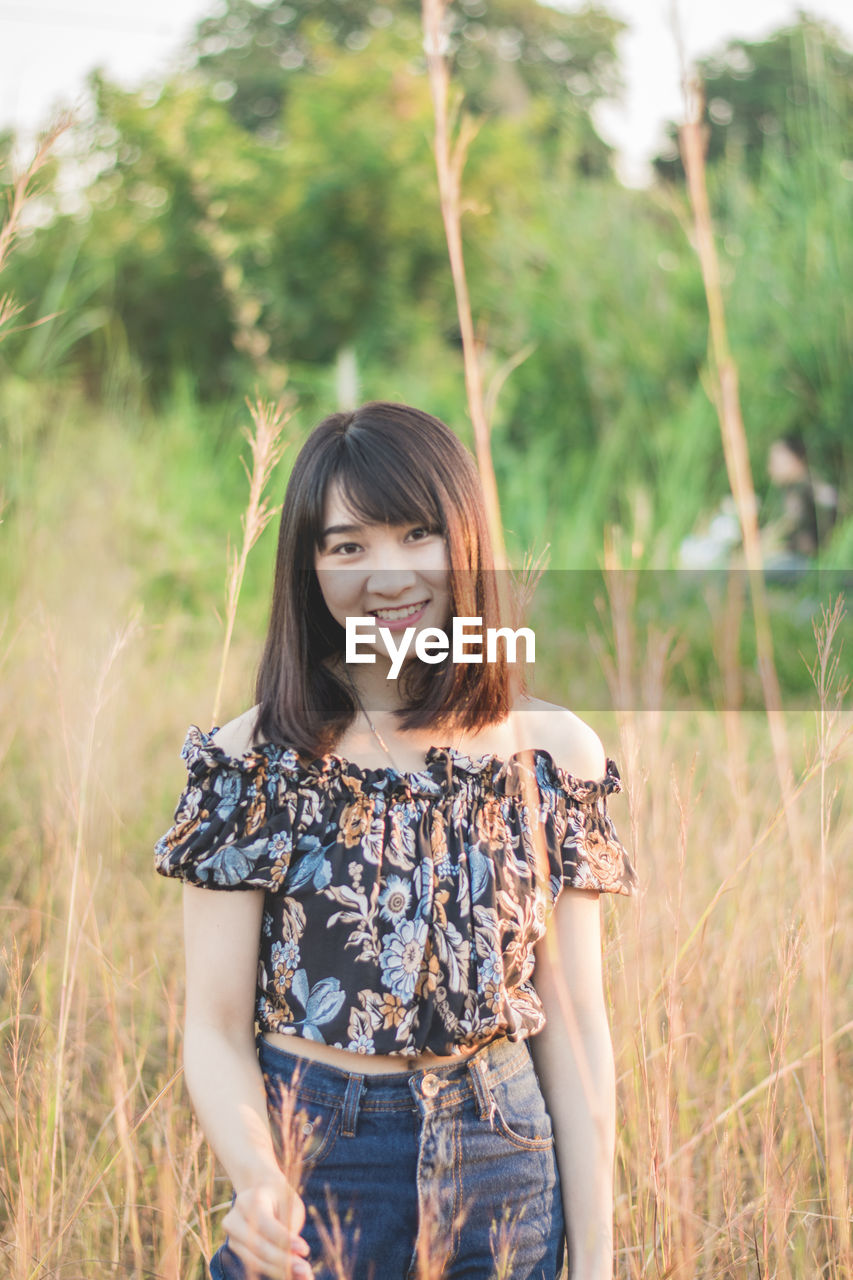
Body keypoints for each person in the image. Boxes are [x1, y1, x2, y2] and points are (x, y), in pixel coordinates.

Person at [154, 400, 639, 1280]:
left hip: (504, 1158)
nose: (389, 576)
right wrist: (258, 1179)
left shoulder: (551, 752)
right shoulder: (250, 762)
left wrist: (597, 1261)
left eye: (419, 535)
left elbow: (571, 1022)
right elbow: (213, 1027)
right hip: (321, 1166)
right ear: (308, 567)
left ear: (465, 543)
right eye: (348, 546)